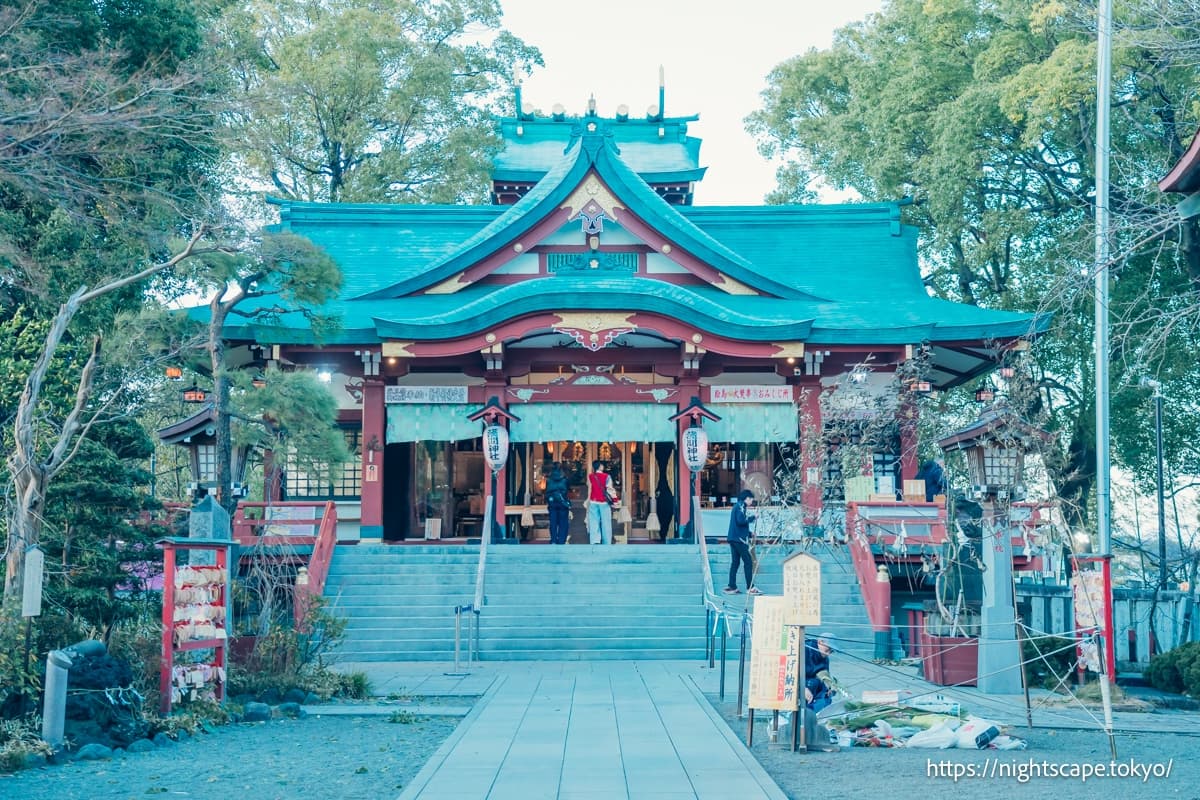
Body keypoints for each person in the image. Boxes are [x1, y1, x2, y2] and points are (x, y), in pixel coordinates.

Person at [724, 489, 761, 595]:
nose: (751, 502)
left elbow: (738, 524)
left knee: (735, 562)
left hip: (734, 538)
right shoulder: (741, 506)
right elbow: (741, 521)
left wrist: (749, 534)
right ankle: (750, 587)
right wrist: (753, 517)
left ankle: (732, 586)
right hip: (739, 540)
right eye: (751, 500)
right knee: (748, 562)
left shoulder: (738, 506)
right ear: (747, 498)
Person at [804, 632, 840, 712]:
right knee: (812, 683)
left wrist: (831, 686)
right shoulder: (804, 650)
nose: (828, 653)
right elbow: (790, 673)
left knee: (826, 693)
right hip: (799, 685)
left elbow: (824, 675)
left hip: (813, 687)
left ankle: (816, 715)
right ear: (820, 642)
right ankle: (805, 714)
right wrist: (802, 688)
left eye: (831, 651)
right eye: (828, 649)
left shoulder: (825, 658)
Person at [586, 460, 616, 545]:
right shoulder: (606, 476)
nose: (603, 466)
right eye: (602, 465)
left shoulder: (591, 476)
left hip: (593, 501)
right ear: (599, 466)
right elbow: (610, 489)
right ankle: (606, 541)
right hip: (604, 502)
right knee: (606, 522)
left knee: (594, 521)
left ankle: (595, 540)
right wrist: (614, 500)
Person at [545, 466, 570, 545]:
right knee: (563, 523)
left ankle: (553, 540)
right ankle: (561, 540)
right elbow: (567, 490)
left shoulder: (549, 480)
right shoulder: (565, 480)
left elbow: (546, 492)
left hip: (552, 504)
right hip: (562, 503)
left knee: (553, 523)